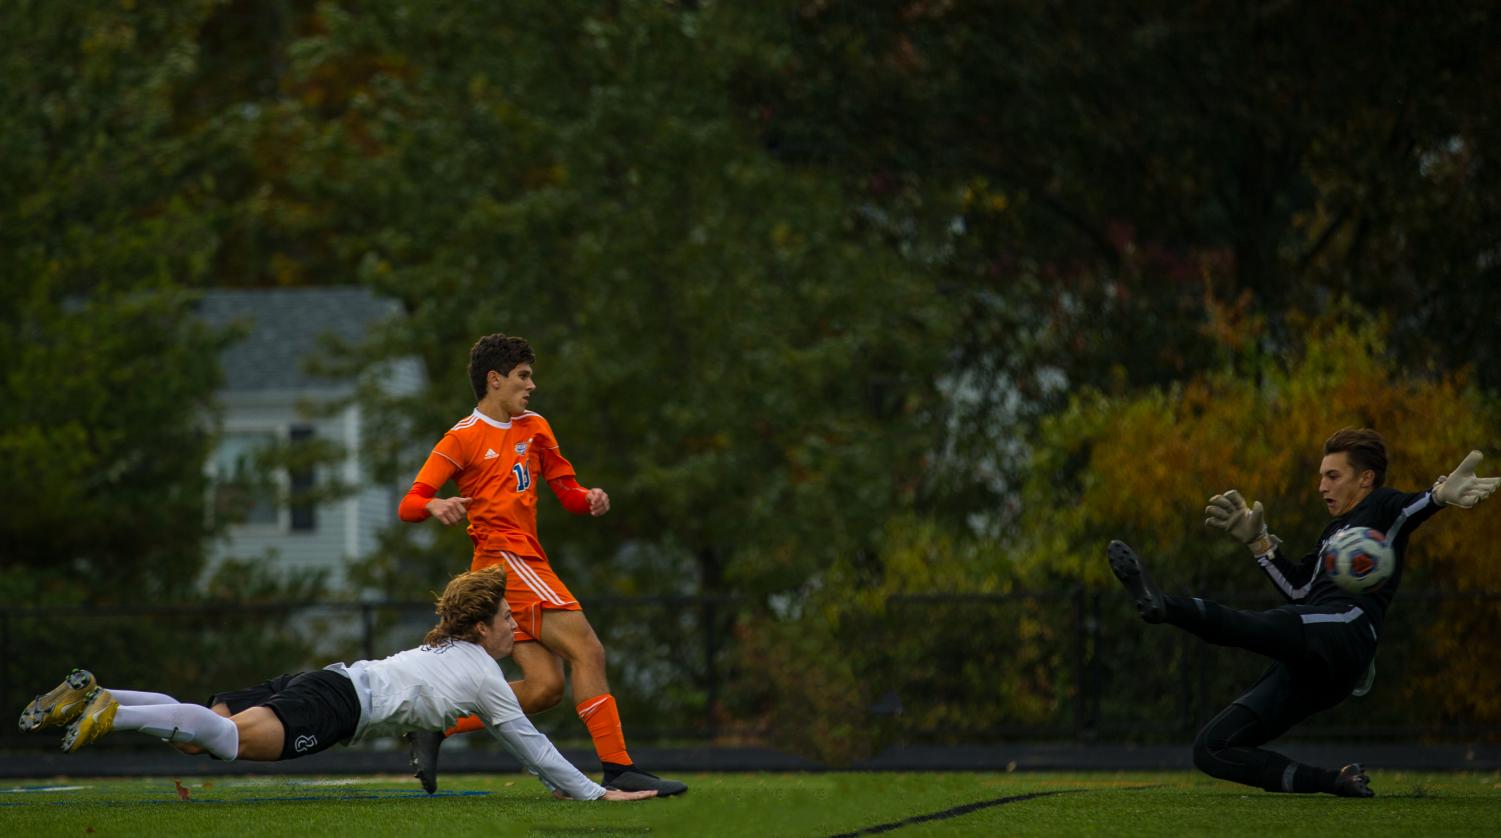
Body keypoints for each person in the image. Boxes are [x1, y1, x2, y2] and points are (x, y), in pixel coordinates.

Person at [15, 567, 656, 801]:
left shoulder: (447, 645)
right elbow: (530, 742)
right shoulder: (484, 670)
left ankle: (102, 693)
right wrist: (596, 796)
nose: (518, 628)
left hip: (326, 681)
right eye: (510, 618)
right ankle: (111, 714)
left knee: (196, 734)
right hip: (335, 705)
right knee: (227, 742)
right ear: (483, 625)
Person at [1106, 428, 1498, 798]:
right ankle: (1334, 781)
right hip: (1316, 657)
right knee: (1212, 747)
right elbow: (1300, 589)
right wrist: (1258, 542)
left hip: (1347, 633)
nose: (1321, 486)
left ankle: (1163, 606)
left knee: (1267, 624)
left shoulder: (1382, 506)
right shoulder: (1330, 534)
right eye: (1321, 476)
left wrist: (1439, 495)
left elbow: (1412, 507)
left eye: (1332, 475)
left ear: (1365, 478)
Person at [397, 333, 686, 797]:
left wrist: (587, 497)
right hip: (506, 558)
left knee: (546, 687)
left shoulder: (535, 427)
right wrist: (433, 506)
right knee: (588, 651)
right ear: (495, 380)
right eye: (523, 376)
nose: (531, 386)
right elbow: (409, 503)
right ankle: (619, 768)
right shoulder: (462, 438)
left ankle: (438, 726)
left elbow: (566, 491)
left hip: (520, 561)